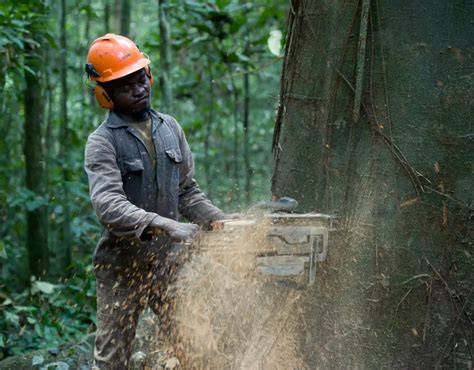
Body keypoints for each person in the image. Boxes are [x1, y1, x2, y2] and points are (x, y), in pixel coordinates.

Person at [84, 33, 230, 369]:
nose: (139, 89)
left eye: (141, 79)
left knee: (197, 349)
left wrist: (223, 221)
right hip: (122, 265)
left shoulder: (170, 128)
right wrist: (164, 224)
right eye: (126, 86)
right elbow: (107, 205)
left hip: (170, 263)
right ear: (105, 95)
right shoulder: (102, 142)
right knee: (112, 357)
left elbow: (188, 192)